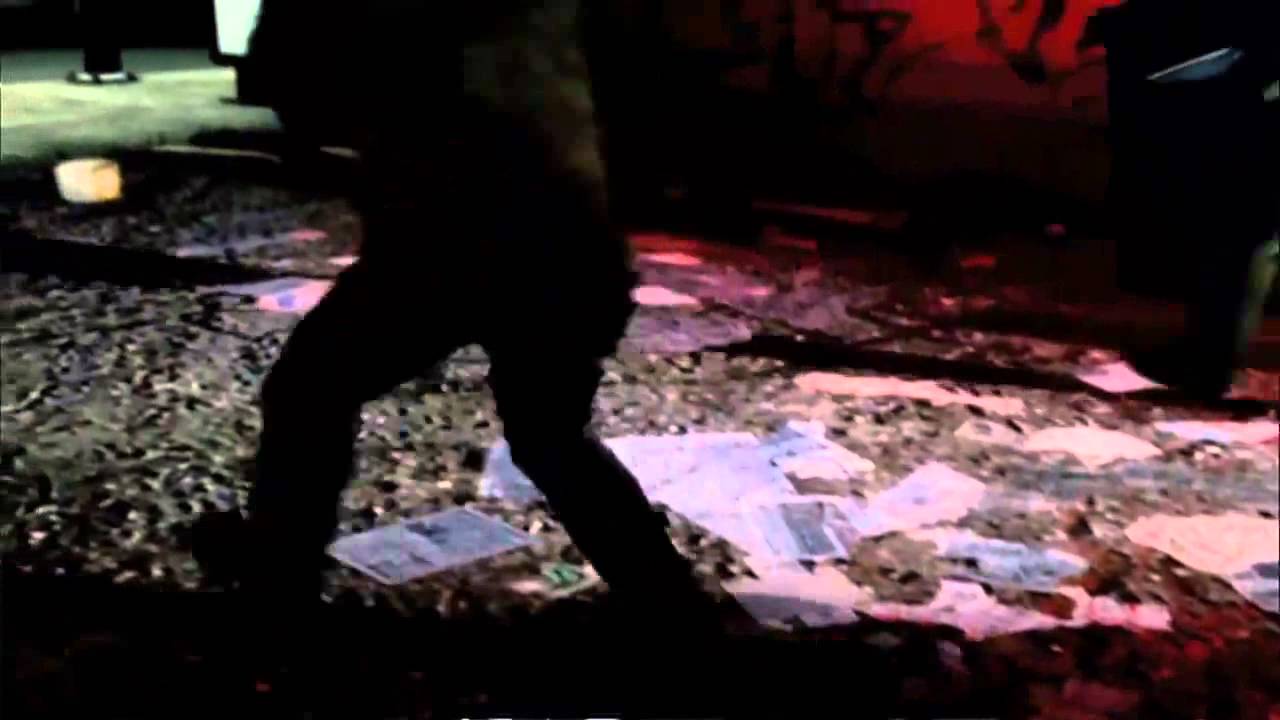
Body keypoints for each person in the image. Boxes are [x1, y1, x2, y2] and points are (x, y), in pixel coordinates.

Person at [191, 0, 739, 644]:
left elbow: (292, 87)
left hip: (447, 242)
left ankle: (278, 584)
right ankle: (668, 601)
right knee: (549, 433)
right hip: (567, 238)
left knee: (309, 391)